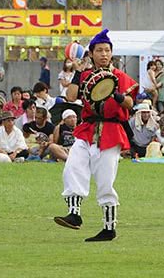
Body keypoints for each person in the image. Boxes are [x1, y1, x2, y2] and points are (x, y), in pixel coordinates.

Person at [53, 29, 139, 241]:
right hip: (87, 128)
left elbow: (130, 104)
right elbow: (71, 95)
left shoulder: (120, 76)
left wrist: (116, 94)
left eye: (107, 50)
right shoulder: (84, 75)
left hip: (111, 130)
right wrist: (76, 72)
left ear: (111, 53)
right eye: (99, 50)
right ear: (91, 53)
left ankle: (109, 228)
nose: (103, 54)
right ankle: (74, 214)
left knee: (105, 180)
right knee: (72, 166)